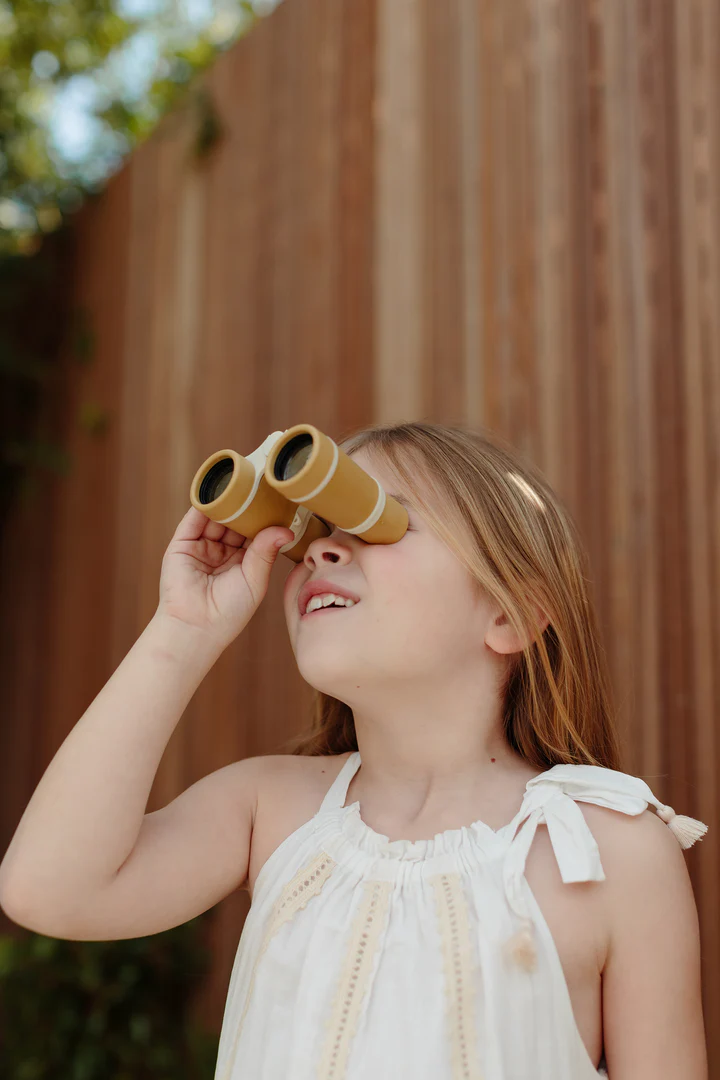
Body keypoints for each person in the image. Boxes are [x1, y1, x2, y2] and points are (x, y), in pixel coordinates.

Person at [0, 421, 708, 1079]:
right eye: (316, 534)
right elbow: (50, 890)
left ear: (510, 614)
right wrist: (185, 627)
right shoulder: (270, 810)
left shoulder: (607, 851)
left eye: (379, 520)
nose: (321, 551)